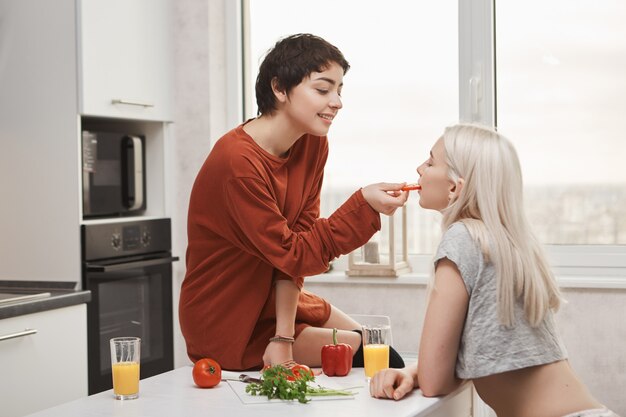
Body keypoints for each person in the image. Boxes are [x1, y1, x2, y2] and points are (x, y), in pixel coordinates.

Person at [179, 33, 407, 372]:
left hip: (276, 299)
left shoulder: (311, 143)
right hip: (228, 317)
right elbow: (295, 252)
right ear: (280, 89)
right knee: (380, 356)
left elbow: (294, 250)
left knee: (379, 346)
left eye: (340, 90)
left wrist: (283, 337)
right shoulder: (237, 164)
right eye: (323, 89)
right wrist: (363, 206)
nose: (337, 102)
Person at [369, 124, 618, 417]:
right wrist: (414, 372)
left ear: (454, 187)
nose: (420, 168)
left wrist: (421, 373)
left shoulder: (462, 239)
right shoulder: (505, 243)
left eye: (431, 161)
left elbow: (436, 381)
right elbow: (482, 354)